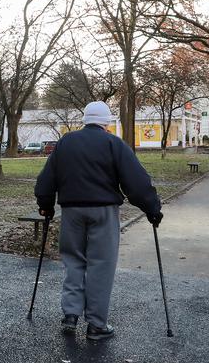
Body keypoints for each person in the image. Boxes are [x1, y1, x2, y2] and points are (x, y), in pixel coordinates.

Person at [34, 101, 163, 341]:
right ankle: (96, 324)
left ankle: (70, 314)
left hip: (71, 211)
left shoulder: (66, 142)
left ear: (85, 119)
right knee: (100, 265)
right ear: (106, 123)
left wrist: (46, 205)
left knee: (73, 261)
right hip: (103, 211)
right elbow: (136, 181)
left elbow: (46, 178)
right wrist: (151, 208)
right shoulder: (114, 143)